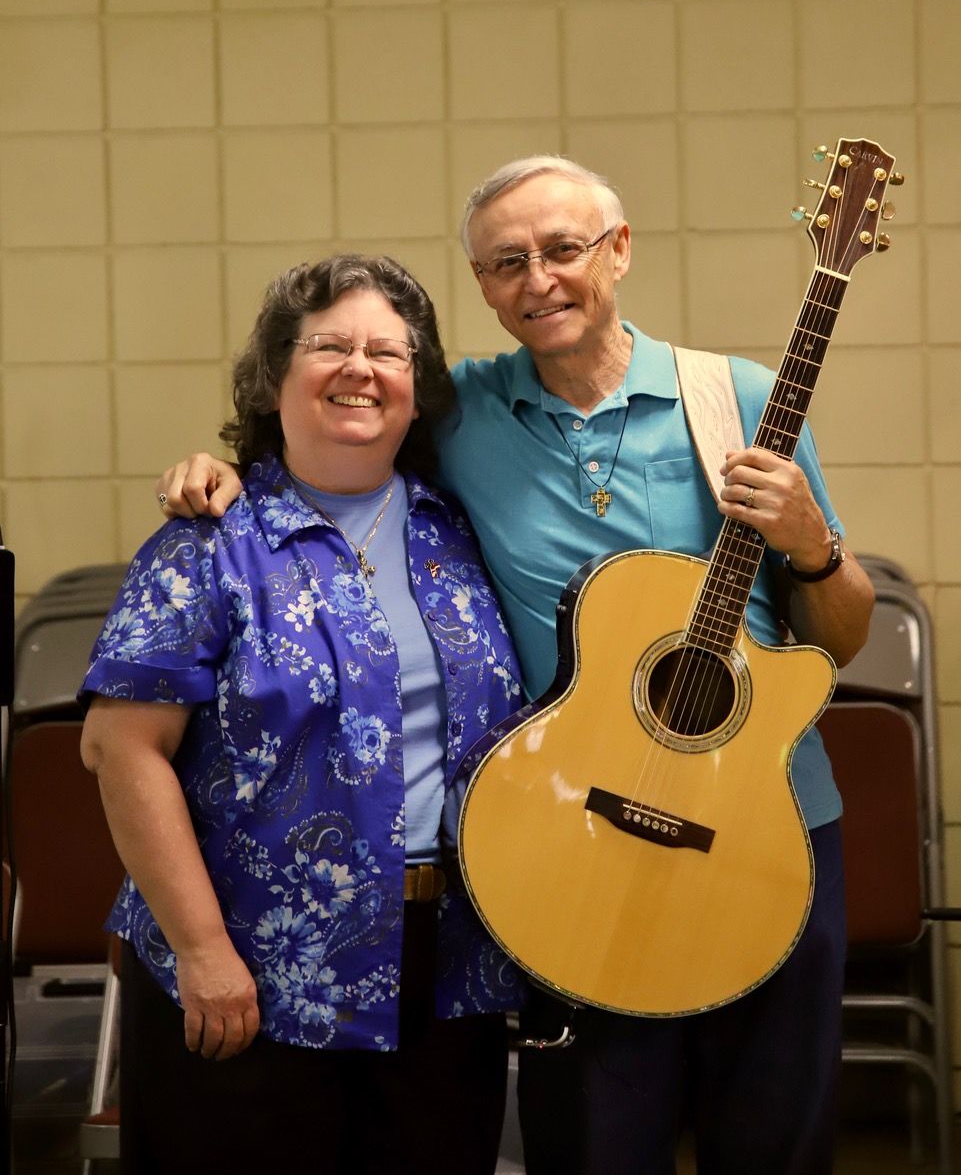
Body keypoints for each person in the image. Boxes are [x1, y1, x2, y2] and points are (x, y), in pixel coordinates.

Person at [155, 157, 876, 1175]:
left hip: (769, 829)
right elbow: (341, 434)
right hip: (577, 836)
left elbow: (838, 638)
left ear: (617, 251)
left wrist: (813, 544)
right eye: (505, 262)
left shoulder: (739, 399)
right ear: (483, 287)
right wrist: (224, 472)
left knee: (774, 1136)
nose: (537, 279)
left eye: (561, 249)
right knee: (591, 1140)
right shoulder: (458, 414)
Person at [79, 254, 525, 1175]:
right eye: (329, 346)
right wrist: (202, 948)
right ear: (273, 375)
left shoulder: (461, 530)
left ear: (417, 387)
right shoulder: (208, 541)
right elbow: (120, 751)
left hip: (445, 971)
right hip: (247, 963)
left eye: (388, 351)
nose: (361, 368)